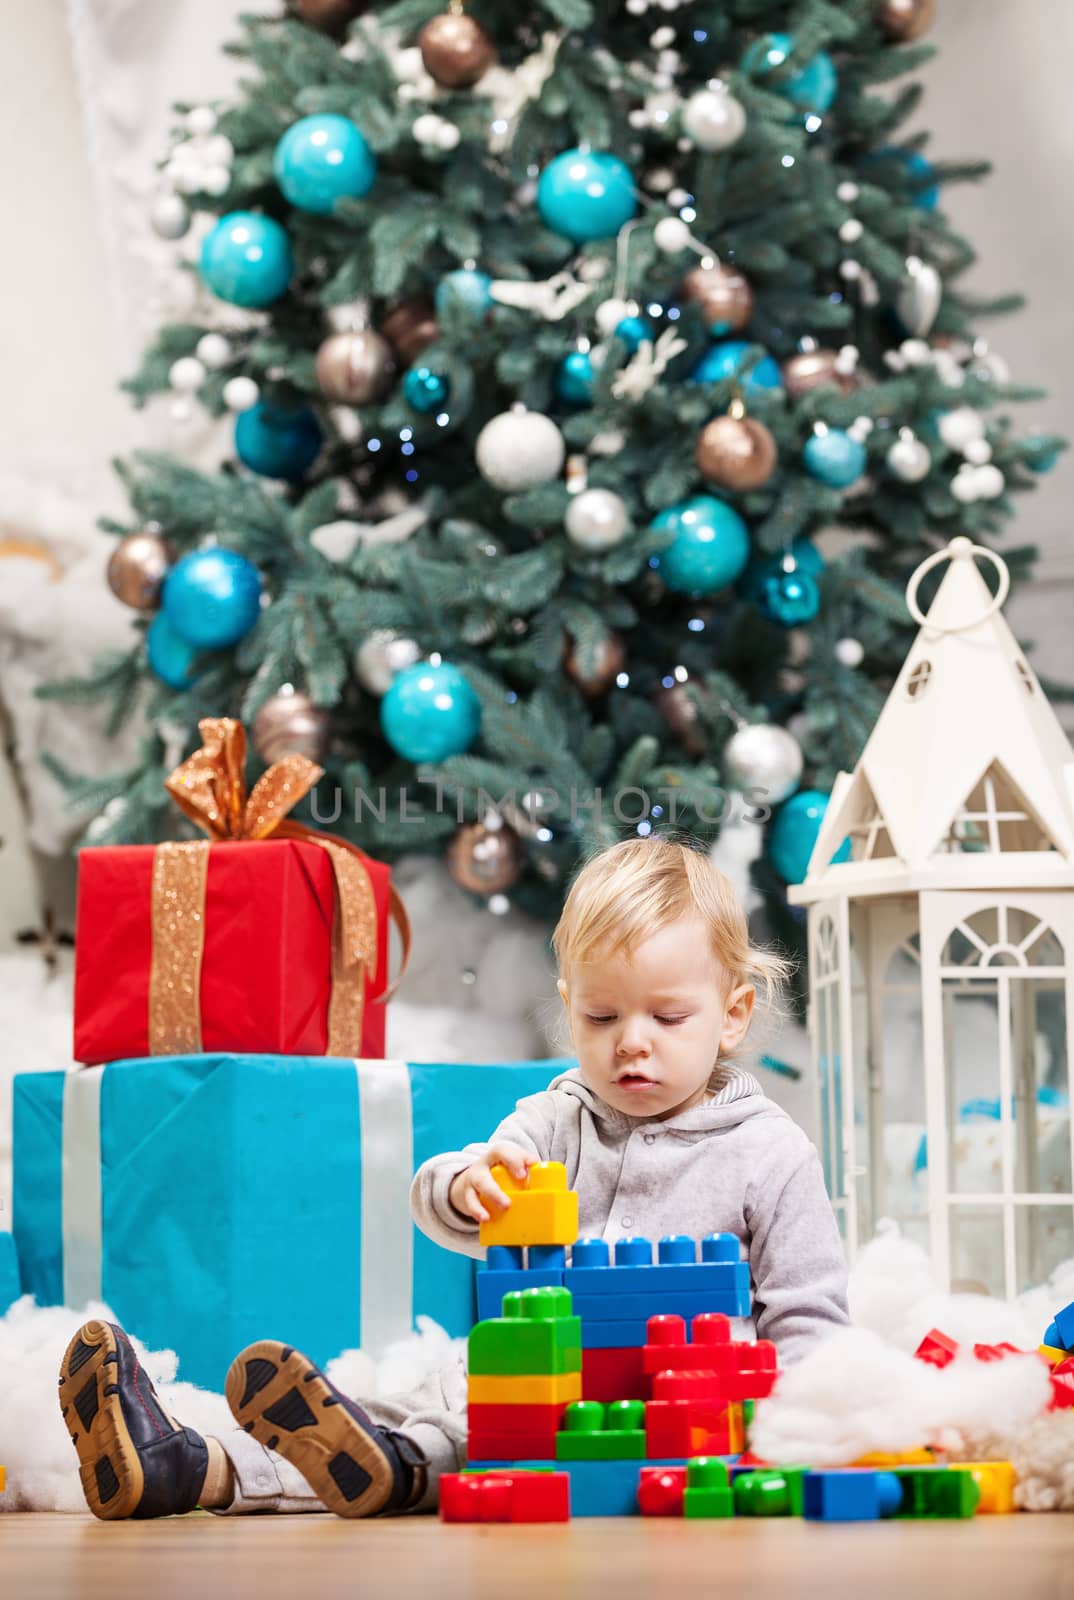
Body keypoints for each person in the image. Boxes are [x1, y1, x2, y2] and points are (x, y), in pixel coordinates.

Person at [60, 835, 849, 1522]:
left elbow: (810, 1321)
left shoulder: (770, 1153)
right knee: (396, 1406)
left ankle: (398, 1469)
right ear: (570, 1009)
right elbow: (452, 1190)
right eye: (601, 1019)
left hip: (671, 1409)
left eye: (667, 1019)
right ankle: (190, 1465)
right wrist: (472, 1184)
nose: (630, 1046)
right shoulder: (557, 1117)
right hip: (528, 1374)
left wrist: (794, 1437)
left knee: (462, 1434)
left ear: (734, 1014)